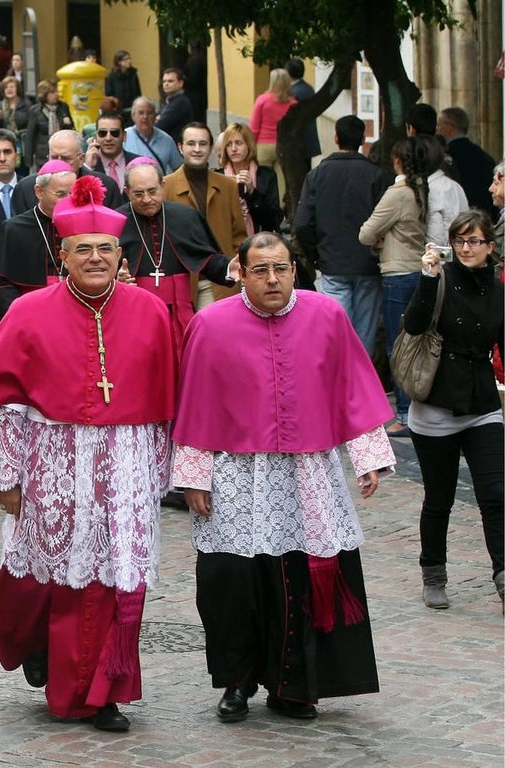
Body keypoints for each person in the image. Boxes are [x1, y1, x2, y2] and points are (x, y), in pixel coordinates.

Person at [0, 174, 176, 732]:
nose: (95, 258)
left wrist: (162, 474)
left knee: (119, 582)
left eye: (105, 249)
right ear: (63, 256)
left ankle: (100, 692)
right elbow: (0, 403)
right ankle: (47, 656)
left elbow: (166, 405)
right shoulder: (30, 311)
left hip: (128, 464)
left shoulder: (151, 312)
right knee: (59, 583)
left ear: (119, 254)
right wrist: (8, 476)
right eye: (82, 250)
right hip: (54, 463)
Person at [172, 230, 396, 723]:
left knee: (298, 576)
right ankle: (236, 682)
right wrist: (193, 476)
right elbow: (193, 404)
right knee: (233, 580)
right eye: (260, 270)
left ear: (294, 269)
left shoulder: (327, 315)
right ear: (240, 272)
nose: (272, 279)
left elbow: (353, 386)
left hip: (307, 470)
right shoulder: (210, 325)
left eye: (281, 268)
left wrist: (368, 455)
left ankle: (294, 684)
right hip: (234, 471)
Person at [407, 211, 503, 607]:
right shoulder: (440, 280)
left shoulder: (499, 292)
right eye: (459, 241)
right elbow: (413, 326)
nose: (466, 248)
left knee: (496, 493)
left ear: (490, 247)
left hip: (481, 403)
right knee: (440, 497)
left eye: (474, 241)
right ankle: (434, 573)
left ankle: (502, 574)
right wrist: (427, 279)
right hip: (436, 404)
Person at [294, 115, 390, 355]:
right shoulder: (376, 175)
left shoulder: (317, 175)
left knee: (336, 331)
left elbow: (303, 223)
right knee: (363, 334)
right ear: (363, 139)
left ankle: (338, 384)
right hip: (367, 262)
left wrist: (315, 256)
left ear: (336, 138)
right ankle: (360, 383)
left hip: (332, 261)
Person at [117, 161, 238, 350]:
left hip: (179, 311)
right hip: (136, 311)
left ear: (163, 186)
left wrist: (230, 267)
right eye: (138, 194)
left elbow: (205, 258)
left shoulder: (185, 216)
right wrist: (117, 280)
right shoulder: (116, 222)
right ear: (126, 191)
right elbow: (104, 267)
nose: (147, 199)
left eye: (152, 191)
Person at [358, 137, 431, 437]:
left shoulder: (398, 193)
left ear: (398, 160)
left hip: (397, 273)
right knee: (418, 343)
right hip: (419, 270)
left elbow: (366, 233)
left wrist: (380, 239)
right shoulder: (423, 190)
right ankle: (418, 410)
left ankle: (404, 413)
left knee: (397, 345)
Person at [0, 160, 76, 325]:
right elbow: (1, 283)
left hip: (74, 313)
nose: (68, 200)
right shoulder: (13, 229)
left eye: (72, 194)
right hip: (28, 316)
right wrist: (23, 315)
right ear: (39, 192)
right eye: (61, 194)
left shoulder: (82, 225)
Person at [163, 123, 248, 304]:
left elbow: (238, 235)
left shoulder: (228, 186)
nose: (197, 149)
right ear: (180, 147)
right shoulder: (165, 186)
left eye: (203, 144)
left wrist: (236, 270)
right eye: (191, 143)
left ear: (210, 148)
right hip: (181, 280)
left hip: (221, 281)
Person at [215, 122, 282, 236]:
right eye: (229, 144)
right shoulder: (218, 177)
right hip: (226, 240)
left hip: (260, 240)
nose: (234, 149)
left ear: (249, 146)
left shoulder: (266, 175)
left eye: (238, 143)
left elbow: (273, 220)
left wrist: (252, 192)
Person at [436, 106, 496, 216]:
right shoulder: (484, 155)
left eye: (439, 124)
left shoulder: (447, 157)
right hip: (486, 217)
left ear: (449, 127)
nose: (437, 129)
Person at [248, 69, 295, 186]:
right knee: (281, 182)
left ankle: (263, 201)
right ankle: (279, 203)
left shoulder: (262, 100)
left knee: (262, 178)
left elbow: (254, 127)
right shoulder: (293, 104)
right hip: (283, 146)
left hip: (263, 145)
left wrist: (251, 146)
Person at [123, 97, 182, 174]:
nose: (145, 117)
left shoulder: (166, 140)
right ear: (133, 116)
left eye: (149, 113)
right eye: (141, 113)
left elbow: (179, 168)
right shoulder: (124, 137)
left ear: (155, 116)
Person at [23, 81, 72, 172]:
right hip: (43, 155)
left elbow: (71, 130)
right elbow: (30, 136)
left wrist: (67, 123)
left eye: (56, 91)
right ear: (44, 95)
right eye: (52, 93)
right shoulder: (36, 111)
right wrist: (28, 160)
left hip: (62, 152)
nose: (56, 94)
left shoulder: (63, 107)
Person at [105, 51, 141, 126]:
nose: (129, 61)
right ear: (119, 62)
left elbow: (138, 92)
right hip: (119, 111)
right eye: (126, 59)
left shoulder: (133, 74)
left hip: (132, 109)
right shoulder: (111, 77)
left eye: (129, 58)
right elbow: (109, 94)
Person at [155, 68, 191, 142]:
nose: (166, 84)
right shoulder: (169, 100)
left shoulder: (181, 102)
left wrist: (158, 119)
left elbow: (160, 125)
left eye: (170, 81)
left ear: (180, 83)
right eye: (164, 81)